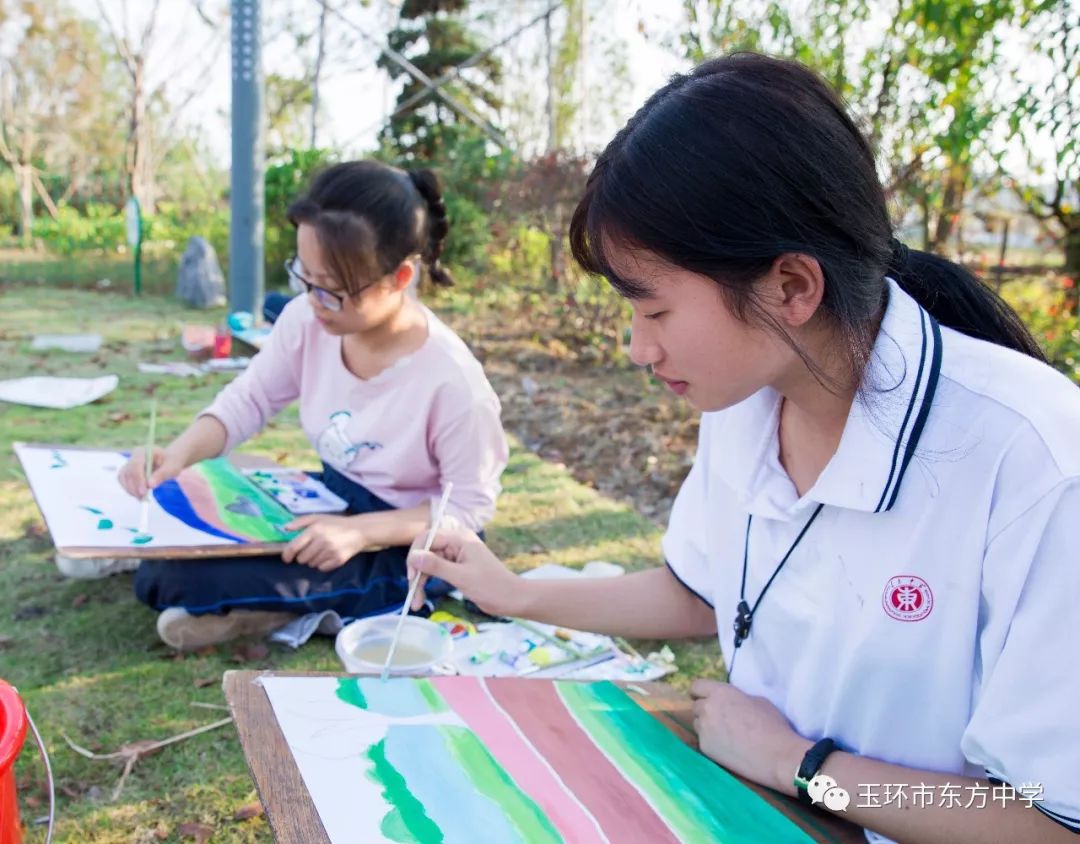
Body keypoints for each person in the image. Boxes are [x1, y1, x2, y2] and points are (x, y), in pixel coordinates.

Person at [405, 55, 1080, 843]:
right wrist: (514, 594)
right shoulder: (752, 391)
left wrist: (804, 765)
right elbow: (703, 592)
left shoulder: (1034, 460)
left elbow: (1047, 819)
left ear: (791, 288)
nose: (635, 348)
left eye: (654, 311)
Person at [118, 160, 509, 651]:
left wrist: (361, 533)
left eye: (332, 288)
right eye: (305, 277)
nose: (313, 300)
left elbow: (469, 510)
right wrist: (176, 455)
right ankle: (252, 600)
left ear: (399, 276)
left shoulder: (452, 384)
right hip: (328, 498)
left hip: (410, 540)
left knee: (169, 579)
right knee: (193, 504)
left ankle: (258, 614)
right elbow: (249, 399)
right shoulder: (307, 319)